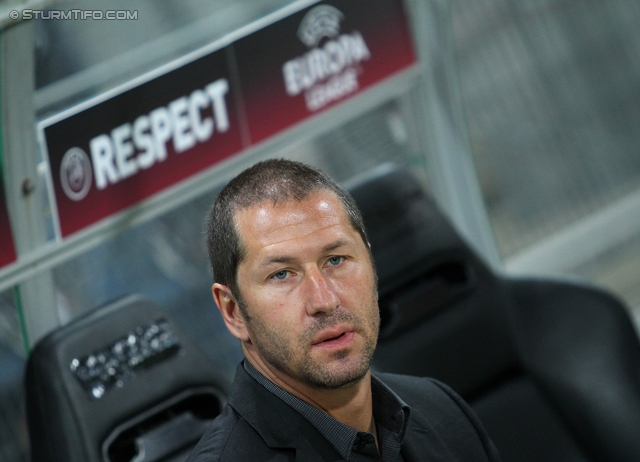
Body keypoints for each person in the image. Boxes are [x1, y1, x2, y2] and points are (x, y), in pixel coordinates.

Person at [187, 159, 501, 461]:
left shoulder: (440, 408)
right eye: (281, 274)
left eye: (336, 260)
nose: (324, 300)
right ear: (233, 312)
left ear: (371, 263)